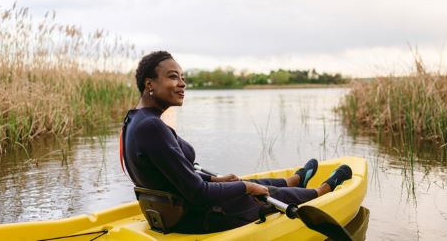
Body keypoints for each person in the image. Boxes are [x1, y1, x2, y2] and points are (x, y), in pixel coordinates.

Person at [121, 51, 353, 233]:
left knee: (240, 181)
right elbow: (197, 193)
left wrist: (214, 179)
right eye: (173, 77)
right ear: (150, 84)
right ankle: (321, 192)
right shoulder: (151, 127)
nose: (182, 83)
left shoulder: (134, 120)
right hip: (197, 219)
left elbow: (173, 176)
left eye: (183, 77)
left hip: (174, 213)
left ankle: (293, 180)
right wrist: (246, 188)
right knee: (258, 190)